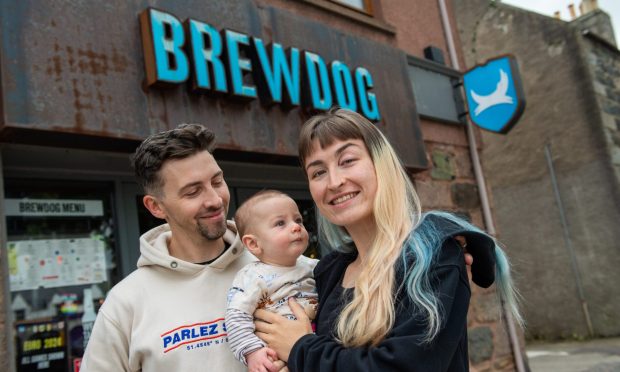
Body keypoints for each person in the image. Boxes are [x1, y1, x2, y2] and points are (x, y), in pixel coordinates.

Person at [254, 108, 522, 371]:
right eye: (318, 172)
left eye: (347, 160)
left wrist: (302, 348)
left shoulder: (431, 256)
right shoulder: (328, 271)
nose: (334, 182)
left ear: (380, 163)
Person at [81, 124, 276, 371]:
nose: (215, 200)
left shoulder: (274, 263)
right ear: (156, 207)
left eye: (217, 181)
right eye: (193, 192)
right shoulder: (126, 303)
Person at [225, 190, 318, 372]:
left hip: (313, 350)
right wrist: (252, 352)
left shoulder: (314, 266)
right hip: (274, 356)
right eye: (280, 223)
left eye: (298, 220)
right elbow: (236, 316)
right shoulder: (253, 277)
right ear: (254, 244)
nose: (296, 227)